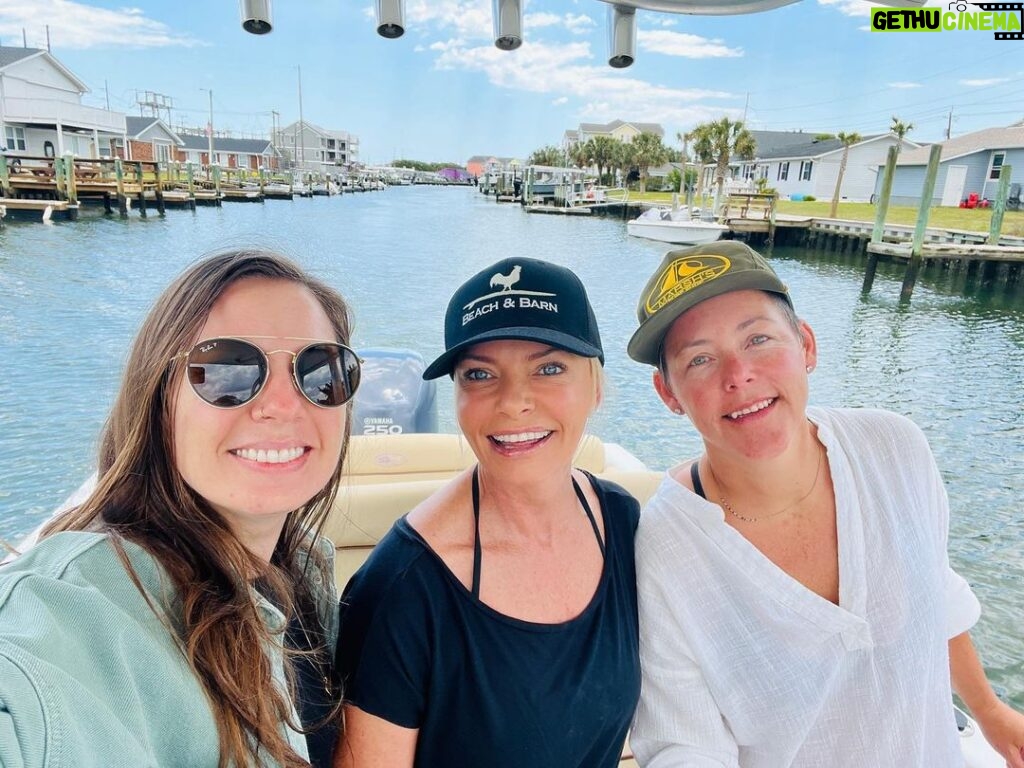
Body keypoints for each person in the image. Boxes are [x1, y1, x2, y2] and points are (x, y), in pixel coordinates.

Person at [625, 241, 1024, 767]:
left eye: (759, 338)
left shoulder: (893, 446)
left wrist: (990, 711)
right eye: (700, 359)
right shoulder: (665, 548)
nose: (738, 374)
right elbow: (687, 745)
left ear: (806, 345)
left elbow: (936, 594)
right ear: (668, 393)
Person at [0, 249, 363, 768]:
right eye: (227, 370)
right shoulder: (82, 611)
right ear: (157, 396)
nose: (284, 405)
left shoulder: (303, 570)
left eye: (320, 371)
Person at [335, 257, 640, 767]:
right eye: (479, 374)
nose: (514, 402)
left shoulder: (622, 522)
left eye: (549, 368)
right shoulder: (404, 587)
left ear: (596, 386)